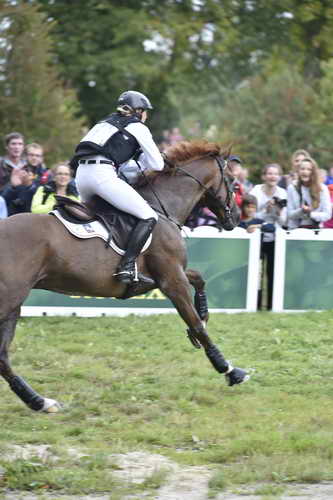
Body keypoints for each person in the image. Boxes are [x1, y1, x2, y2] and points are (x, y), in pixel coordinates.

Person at [70, 90, 164, 285]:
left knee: (102, 216)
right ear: (138, 111)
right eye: (145, 111)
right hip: (101, 175)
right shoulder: (137, 126)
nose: (146, 115)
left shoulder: (103, 123)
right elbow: (157, 165)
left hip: (81, 176)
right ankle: (127, 267)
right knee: (149, 216)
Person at [250, 163, 287, 310]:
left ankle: (272, 305)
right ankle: (255, 304)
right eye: (269, 173)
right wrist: (266, 209)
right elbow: (250, 215)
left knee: (273, 272)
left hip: (275, 237)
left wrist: (277, 212)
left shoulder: (282, 193)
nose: (272, 176)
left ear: (279, 177)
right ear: (264, 176)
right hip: (257, 235)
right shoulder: (256, 191)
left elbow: (284, 221)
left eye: (275, 174)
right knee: (256, 272)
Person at [287, 157, 331, 229]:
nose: (305, 172)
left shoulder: (322, 189)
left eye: (309, 169)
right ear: (298, 171)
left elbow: (327, 215)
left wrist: (310, 214)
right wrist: (301, 211)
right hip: (295, 230)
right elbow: (290, 214)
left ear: (313, 172)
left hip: (316, 230)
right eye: (302, 169)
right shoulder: (292, 188)